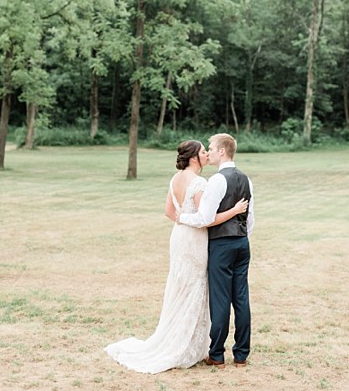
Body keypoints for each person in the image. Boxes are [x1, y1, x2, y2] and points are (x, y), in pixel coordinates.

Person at [105, 140, 248, 374]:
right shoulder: (200, 182)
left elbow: (169, 212)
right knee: (195, 287)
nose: (206, 155)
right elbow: (206, 219)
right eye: (203, 152)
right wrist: (233, 211)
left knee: (181, 285)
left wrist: (182, 220)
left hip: (179, 236)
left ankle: (181, 337)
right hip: (195, 238)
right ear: (194, 158)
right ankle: (186, 344)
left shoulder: (175, 179)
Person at [178, 133, 254, 369]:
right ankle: (241, 355)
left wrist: (182, 218)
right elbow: (250, 219)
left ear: (222, 151)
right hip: (243, 243)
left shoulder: (217, 181)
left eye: (211, 148)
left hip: (222, 245)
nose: (208, 151)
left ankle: (217, 355)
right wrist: (242, 237)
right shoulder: (247, 179)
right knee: (241, 299)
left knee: (220, 300)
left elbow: (205, 218)